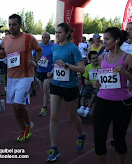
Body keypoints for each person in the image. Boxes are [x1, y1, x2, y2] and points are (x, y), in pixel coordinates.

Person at [92, 27, 132, 164]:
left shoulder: (128, 58)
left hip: (122, 103)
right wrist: (97, 83)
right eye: (103, 39)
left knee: (119, 139)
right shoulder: (102, 57)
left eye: (107, 39)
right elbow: (102, 79)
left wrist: (124, 73)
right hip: (102, 102)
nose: (104, 42)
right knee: (99, 138)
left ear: (117, 40)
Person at [0, 14, 43, 143]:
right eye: (9, 24)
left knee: (18, 104)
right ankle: (23, 128)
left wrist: (36, 61)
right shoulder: (5, 39)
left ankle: (28, 124)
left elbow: (39, 50)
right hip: (11, 76)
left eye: (14, 24)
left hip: (26, 75)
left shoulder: (28, 38)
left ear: (20, 25)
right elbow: (4, 53)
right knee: (15, 107)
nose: (11, 27)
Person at [46, 23, 86, 162]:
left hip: (70, 86)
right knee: (53, 117)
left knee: (72, 116)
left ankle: (81, 135)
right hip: (56, 85)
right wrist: (53, 71)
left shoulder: (73, 48)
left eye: (60, 33)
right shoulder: (55, 47)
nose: (57, 35)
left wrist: (67, 65)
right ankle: (53, 147)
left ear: (67, 33)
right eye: (56, 32)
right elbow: (58, 65)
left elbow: (82, 69)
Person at [34, 32, 53, 117]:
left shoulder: (53, 47)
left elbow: (56, 57)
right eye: (42, 37)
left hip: (49, 71)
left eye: (45, 37)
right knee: (43, 90)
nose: (43, 39)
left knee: (45, 88)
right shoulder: (39, 46)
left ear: (49, 38)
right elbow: (34, 56)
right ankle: (48, 97)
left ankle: (44, 107)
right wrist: (35, 62)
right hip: (40, 70)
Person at [77, 51, 100, 118]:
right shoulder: (88, 67)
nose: (96, 59)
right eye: (93, 58)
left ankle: (88, 109)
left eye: (96, 57)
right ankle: (81, 107)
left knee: (94, 93)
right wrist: (86, 80)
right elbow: (85, 78)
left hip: (98, 85)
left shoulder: (101, 66)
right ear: (90, 60)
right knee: (84, 92)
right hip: (90, 84)